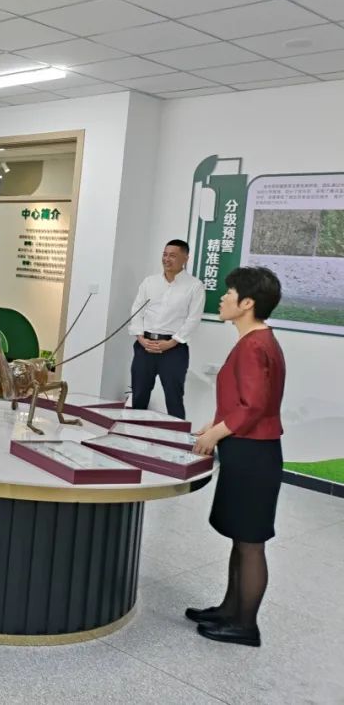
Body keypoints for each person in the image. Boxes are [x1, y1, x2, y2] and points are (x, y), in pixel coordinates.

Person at [187, 266, 285, 649]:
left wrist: (215, 433)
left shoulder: (254, 345)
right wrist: (215, 424)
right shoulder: (256, 341)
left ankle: (246, 626)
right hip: (247, 449)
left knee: (250, 542)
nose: (223, 298)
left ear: (247, 303)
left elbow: (254, 405)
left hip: (253, 453)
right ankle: (230, 610)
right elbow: (244, 401)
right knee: (240, 538)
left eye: (229, 293)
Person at [128, 239, 205, 420]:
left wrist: (171, 343)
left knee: (174, 397)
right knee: (139, 394)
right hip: (145, 346)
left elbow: (193, 319)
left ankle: (178, 436)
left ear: (185, 258)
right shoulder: (150, 282)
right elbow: (136, 310)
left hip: (173, 349)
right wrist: (140, 337)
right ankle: (133, 432)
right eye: (164, 254)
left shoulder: (194, 286)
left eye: (172, 256)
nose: (167, 259)